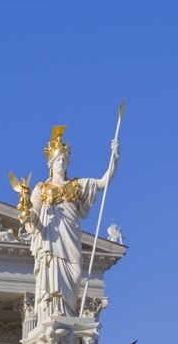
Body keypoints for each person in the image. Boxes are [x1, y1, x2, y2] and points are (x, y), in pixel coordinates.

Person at [20, 126, 119, 322]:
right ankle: (55, 310)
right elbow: (33, 214)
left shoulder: (77, 185)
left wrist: (114, 158)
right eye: (58, 160)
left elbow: (103, 182)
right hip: (52, 240)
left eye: (65, 160)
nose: (62, 163)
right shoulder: (41, 189)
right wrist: (26, 214)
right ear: (51, 163)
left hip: (71, 238)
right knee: (53, 274)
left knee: (75, 274)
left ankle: (69, 312)